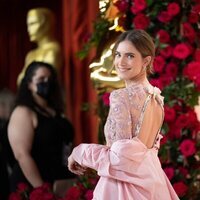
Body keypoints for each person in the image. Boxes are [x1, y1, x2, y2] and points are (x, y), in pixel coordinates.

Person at [68, 29, 179, 199]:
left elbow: (118, 159)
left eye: (130, 56)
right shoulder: (157, 98)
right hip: (154, 185)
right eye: (118, 54)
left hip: (124, 189)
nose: (120, 62)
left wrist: (79, 152)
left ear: (146, 61)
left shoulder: (121, 97)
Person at [8, 61, 75, 193]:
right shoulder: (23, 111)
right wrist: (42, 190)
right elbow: (22, 155)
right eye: (41, 79)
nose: (47, 82)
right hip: (32, 185)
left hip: (59, 182)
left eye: (50, 79)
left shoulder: (56, 112)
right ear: (29, 84)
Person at [17, 7, 63, 86]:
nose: (29, 29)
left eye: (33, 24)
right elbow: (21, 82)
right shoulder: (31, 55)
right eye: (28, 25)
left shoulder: (53, 50)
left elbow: (43, 80)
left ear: (45, 24)